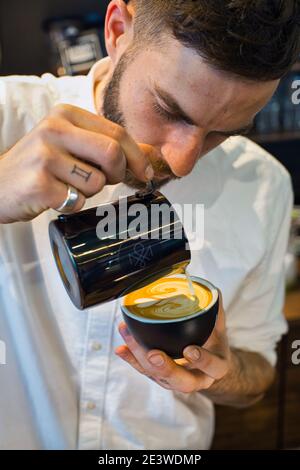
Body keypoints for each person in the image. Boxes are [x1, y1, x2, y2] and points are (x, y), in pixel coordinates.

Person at [0, 0, 298, 450]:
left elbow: (258, 372)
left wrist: (223, 372)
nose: (182, 162)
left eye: (224, 133)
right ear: (118, 31)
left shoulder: (263, 186)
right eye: (168, 109)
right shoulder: (8, 116)